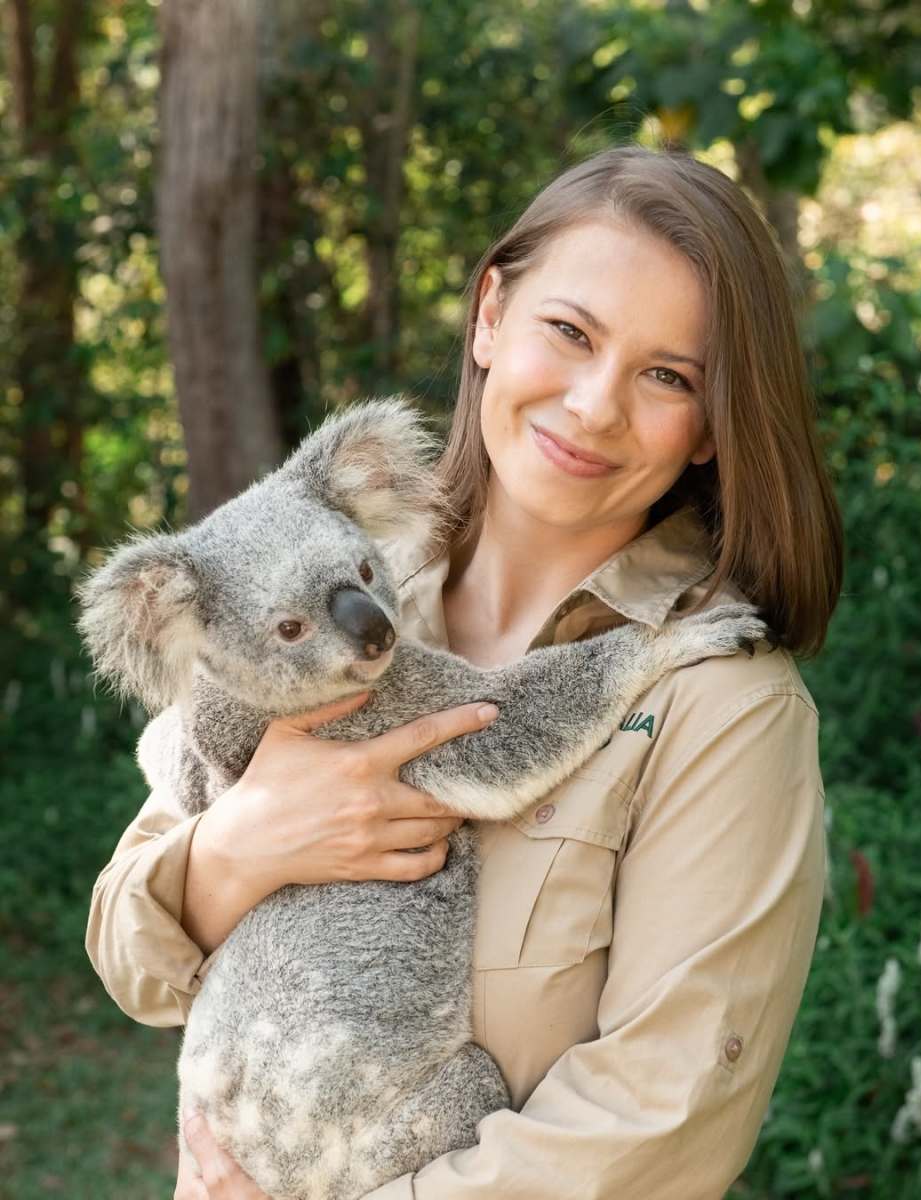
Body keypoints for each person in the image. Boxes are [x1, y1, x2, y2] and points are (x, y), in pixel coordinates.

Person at [86, 143, 842, 1199]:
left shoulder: (719, 701)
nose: (593, 405)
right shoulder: (315, 590)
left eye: (668, 376)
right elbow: (130, 947)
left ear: (713, 425)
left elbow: (659, 1125)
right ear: (490, 314)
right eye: (569, 333)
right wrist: (244, 846)